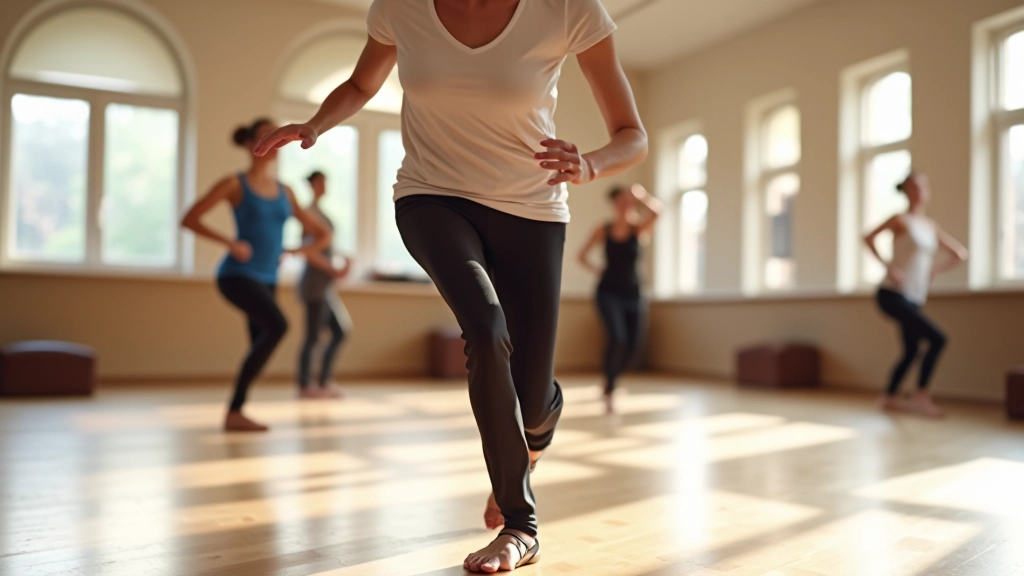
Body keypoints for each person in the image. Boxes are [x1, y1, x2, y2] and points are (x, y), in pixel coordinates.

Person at [254, 0, 647, 571]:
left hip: (532, 209)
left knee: (532, 402)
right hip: (430, 196)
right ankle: (521, 525)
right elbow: (363, 82)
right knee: (486, 331)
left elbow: (631, 135)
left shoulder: (567, 8)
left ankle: (533, 433)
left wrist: (588, 165)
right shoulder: (401, 6)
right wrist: (315, 124)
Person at [181, 118, 340, 432]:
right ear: (251, 144)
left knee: (261, 342)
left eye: (279, 136)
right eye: (267, 135)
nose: (277, 142)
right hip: (236, 276)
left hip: (268, 280)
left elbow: (322, 234)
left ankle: (237, 412)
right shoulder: (234, 184)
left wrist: (295, 252)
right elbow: (190, 218)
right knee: (278, 326)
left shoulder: (286, 192)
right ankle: (234, 412)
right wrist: (230, 242)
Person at [864, 171, 968, 418]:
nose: (920, 190)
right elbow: (867, 238)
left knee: (911, 351)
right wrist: (888, 266)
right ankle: (921, 396)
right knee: (937, 338)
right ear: (906, 191)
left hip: (914, 296)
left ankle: (888, 397)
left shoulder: (930, 227)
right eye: (914, 186)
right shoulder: (900, 220)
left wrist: (935, 268)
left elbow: (959, 254)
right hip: (891, 293)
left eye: (923, 186)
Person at [577, 184, 661, 414]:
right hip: (607, 293)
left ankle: (609, 381)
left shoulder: (639, 229)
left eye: (628, 200)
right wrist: (597, 269)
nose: (625, 203)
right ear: (614, 204)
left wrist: (641, 195)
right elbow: (581, 256)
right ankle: (611, 389)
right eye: (621, 200)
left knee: (634, 346)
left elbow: (657, 212)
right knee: (617, 337)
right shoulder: (604, 230)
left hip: (634, 294)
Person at [296, 171, 353, 399]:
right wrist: (332, 268)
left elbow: (325, 247)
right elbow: (308, 250)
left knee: (340, 331)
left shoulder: (320, 213)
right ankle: (305, 385)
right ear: (312, 185)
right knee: (312, 336)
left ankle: (323, 381)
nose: (325, 186)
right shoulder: (309, 213)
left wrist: (342, 259)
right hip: (314, 285)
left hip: (326, 287)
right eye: (321, 182)